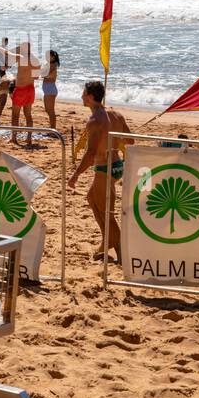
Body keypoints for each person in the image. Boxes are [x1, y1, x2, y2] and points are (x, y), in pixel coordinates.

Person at [67, 80, 133, 262]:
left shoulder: (95, 120)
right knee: (92, 199)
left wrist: (75, 175)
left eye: (83, 93)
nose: (81, 96)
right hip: (117, 166)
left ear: (90, 97)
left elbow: (90, 154)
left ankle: (121, 254)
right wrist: (117, 140)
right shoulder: (116, 114)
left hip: (105, 168)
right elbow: (130, 141)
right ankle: (106, 242)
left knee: (107, 213)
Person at [0, 40, 41, 148]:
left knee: (15, 114)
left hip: (20, 90)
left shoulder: (21, 57)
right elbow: (37, 77)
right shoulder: (36, 60)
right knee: (28, 115)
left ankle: (14, 138)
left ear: (24, 48)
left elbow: (7, 53)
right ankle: (29, 138)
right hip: (31, 89)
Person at [42, 49, 60, 130]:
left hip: (50, 89)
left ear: (53, 57)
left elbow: (46, 74)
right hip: (48, 89)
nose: (46, 57)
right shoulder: (48, 64)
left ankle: (53, 129)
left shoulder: (54, 64)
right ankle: (52, 127)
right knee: (47, 110)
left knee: (51, 111)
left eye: (48, 56)